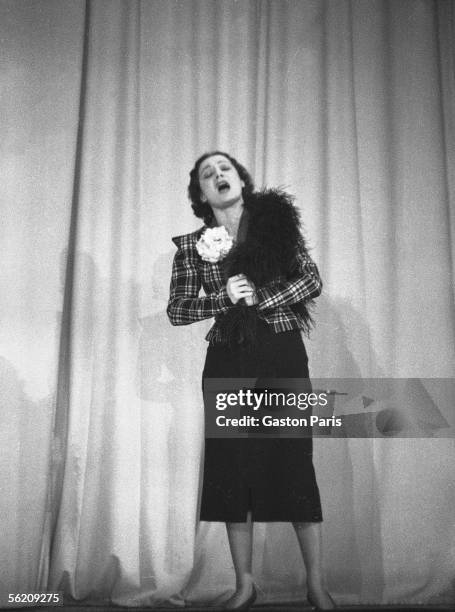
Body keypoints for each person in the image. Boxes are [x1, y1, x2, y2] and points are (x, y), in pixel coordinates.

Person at [167, 151, 335, 610]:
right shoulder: (190, 245)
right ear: (200, 193)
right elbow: (178, 310)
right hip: (228, 359)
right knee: (231, 468)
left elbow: (310, 279)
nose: (218, 175)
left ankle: (315, 584)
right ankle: (245, 584)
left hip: (282, 352)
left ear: (241, 178)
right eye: (207, 173)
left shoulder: (275, 225)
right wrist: (221, 299)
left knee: (295, 461)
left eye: (225, 168)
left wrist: (260, 298)